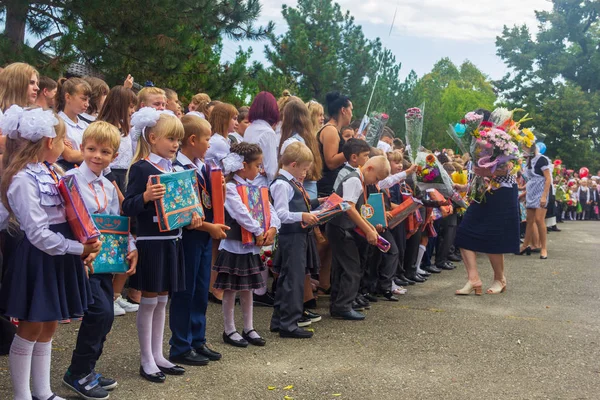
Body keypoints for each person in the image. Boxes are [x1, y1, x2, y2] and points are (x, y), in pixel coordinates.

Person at [0, 107, 101, 400]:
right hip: (39, 258)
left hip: (59, 256)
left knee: (48, 326)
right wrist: (77, 248)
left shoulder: (50, 170)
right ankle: (22, 395)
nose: (66, 146)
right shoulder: (22, 179)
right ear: (48, 142)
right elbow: (38, 233)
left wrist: (87, 242)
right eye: (63, 140)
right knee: (31, 327)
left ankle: (43, 392)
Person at [122, 108, 201, 383]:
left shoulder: (175, 168)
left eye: (178, 140)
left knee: (163, 299)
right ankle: (146, 359)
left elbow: (183, 204)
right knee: (149, 298)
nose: (175, 145)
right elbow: (127, 205)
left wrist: (192, 214)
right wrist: (145, 196)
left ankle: (158, 355)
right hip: (151, 242)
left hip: (173, 240)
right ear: (153, 138)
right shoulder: (142, 167)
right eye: (170, 139)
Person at [62, 122, 138, 400]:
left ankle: (87, 369)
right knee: (99, 313)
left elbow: (118, 224)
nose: (97, 156)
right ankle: (77, 373)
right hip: (82, 260)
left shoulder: (108, 185)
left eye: (105, 151)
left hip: (107, 261)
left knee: (105, 317)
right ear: (81, 148)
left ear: (114, 156)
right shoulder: (71, 179)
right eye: (91, 149)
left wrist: (130, 246)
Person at [168, 115, 229, 366]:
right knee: (185, 291)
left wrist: (221, 188)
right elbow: (181, 212)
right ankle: (180, 345)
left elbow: (210, 201)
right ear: (192, 139)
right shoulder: (177, 169)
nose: (209, 144)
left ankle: (197, 339)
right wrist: (209, 227)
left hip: (204, 235)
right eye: (207, 139)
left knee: (201, 289)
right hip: (189, 236)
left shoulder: (202, 166)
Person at [213, 143, 281, 347]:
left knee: (248, 288)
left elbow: (270, 209)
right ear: (243, 166)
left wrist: (273, 228)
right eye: (257, 165)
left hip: (251, 245)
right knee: (231, 288)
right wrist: (259, 230)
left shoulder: (258, 188)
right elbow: (240, 212)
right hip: (235, 245)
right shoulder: (231, 187)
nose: (260, 170)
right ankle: (229, 329)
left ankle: (249, 327)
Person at [454, 109, 520, 295]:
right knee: (464, 233)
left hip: (502, 194)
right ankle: (473, 279)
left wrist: (490, 171)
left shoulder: (504, 140)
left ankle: (500, 278)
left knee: (494, 238)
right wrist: (465, 187)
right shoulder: (474, 143)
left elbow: (511, 168)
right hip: (481, 191)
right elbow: (477, 172)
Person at [327, 156, 390, 320]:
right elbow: (349, 208)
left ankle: (337, 304)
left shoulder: (358, 178)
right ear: (369, 169)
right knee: (352, 268)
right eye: (376, 178)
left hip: (340, 227)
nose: (374, 183)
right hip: (341, 228)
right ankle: (343, 305)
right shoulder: (355, 180)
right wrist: (367, 230)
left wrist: (370, 227)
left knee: (341, 268)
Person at [97, 85, 141, 316]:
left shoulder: (126, 130)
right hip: (114, 181)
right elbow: (109, 168)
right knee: (116, 235)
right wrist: (119, 191)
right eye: (130, 105)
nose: (132, 110)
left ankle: (116, 293)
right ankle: (108, 295)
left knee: (129, 237)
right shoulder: (107, 130)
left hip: (126, 177)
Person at [270, 142, 320, 338]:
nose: (305, 173)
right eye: (304, 168)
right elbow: (281, 213)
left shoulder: (290, 182)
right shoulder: (282, 184)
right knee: (293, 279)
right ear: (293, 164)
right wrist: (303, 216)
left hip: (297, 236)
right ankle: (289, 324)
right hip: (291, 236)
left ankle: (279, 320)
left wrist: (318, 203)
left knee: (288, 278)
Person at [278, 99, 323, 200]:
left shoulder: (293, 142)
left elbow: (294, 173)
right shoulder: (308, 137)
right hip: (309, 190)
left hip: (298, 195)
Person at [519, 142, 552, 259]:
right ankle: (525, 245)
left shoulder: (542, 159)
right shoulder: (528, 161)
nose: (523, 151)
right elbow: (530, 179)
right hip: (531, 191)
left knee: (539, 219)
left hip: (541, 191)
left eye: (525, 148)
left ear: (531, 148)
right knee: (529, 220)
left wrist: (544, 196)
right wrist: (524, 191)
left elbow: (548, 179)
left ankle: (543, 248)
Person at [317, 91, 353, 197]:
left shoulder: (334, 130)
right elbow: (331, 162)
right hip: (326, 188)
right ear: (343, 110)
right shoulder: (330, 130)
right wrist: (352, 150)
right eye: (351, 109)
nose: (352, 114)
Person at [244, 92, 280, 187]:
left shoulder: (249, 128)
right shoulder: (268, 132)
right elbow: (271, 170)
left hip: (247, 181)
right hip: (261, 185)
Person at [56, 77, 92, 170]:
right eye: (83, 99)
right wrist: (93, 154)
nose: (87, 104)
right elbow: (69, 155)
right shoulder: (57, 123)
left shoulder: (86, 126)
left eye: (88, 100)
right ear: (68, 97)